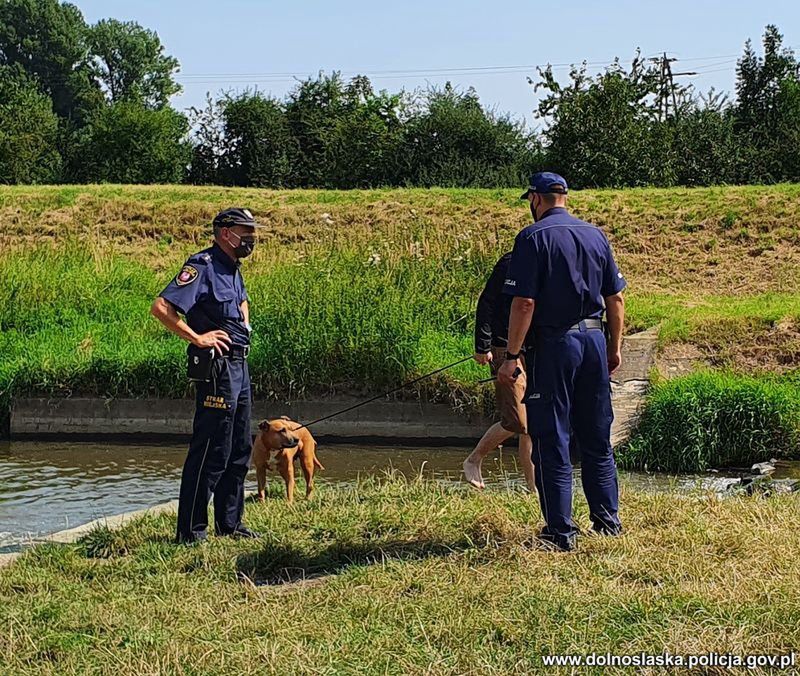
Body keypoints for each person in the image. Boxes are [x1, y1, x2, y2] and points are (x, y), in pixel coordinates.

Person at [498, 173, 626, 552]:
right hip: (593, 341)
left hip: (555, 345)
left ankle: (560, 533)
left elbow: (524, 303)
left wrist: (512, 356)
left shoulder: (532, 238)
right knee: (596, 438)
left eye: (530, 201)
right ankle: (608, 523)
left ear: (537, 199)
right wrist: (613, 348)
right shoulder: (596, 235)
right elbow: (615, 300)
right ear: (564, 198)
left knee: (552, 438)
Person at [151, 208, 265, 544]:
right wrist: (198, 338)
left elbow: (240, 302)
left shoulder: (232, 268)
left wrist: (243, 322)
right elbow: (162, 308)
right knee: (212, 449)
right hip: (216, 368)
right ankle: (191, 531)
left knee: (240, 448)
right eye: (246, 231)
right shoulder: (202, 265)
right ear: (225, 232)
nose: (250, 238)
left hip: (239, 366)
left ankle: (229, 525)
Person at [462, 252, 536, 492]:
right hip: (504, 348)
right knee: (519, 421)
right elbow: (487, 303)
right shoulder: (510, 262)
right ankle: (474, 459)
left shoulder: (550, 262)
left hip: (535, 347)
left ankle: (533, 489)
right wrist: (482, 346)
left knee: (533, 423)